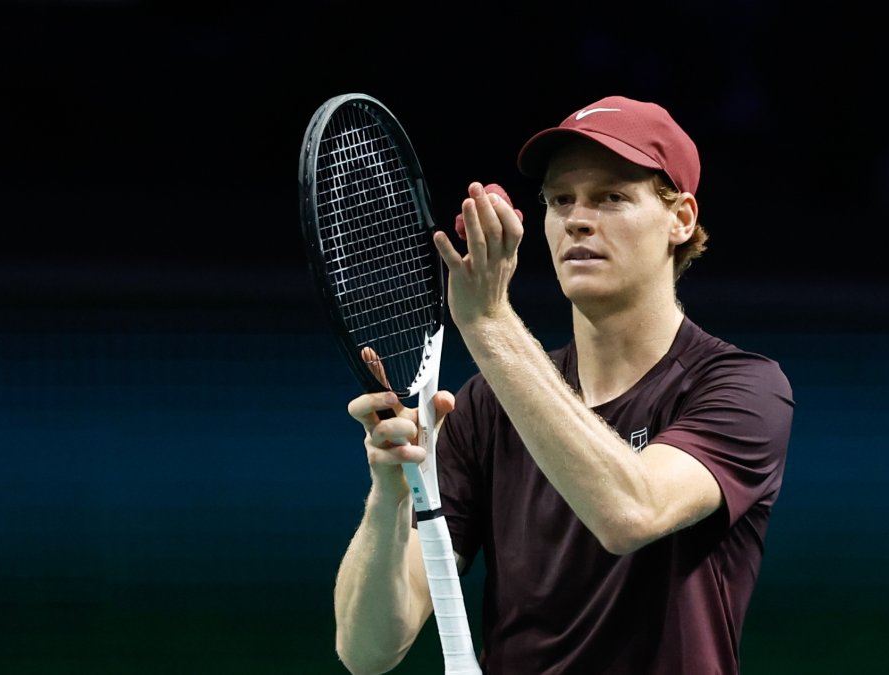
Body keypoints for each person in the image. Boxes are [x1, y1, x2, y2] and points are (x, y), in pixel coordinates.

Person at [333, 95, 795, 674]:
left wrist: (488, 321)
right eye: (560, 200)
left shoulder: (741, 388)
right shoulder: (486, 405)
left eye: (611, 197)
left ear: (681, 220)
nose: (577, 218)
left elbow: (630, 512)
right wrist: (390, 492)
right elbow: (366, 650)